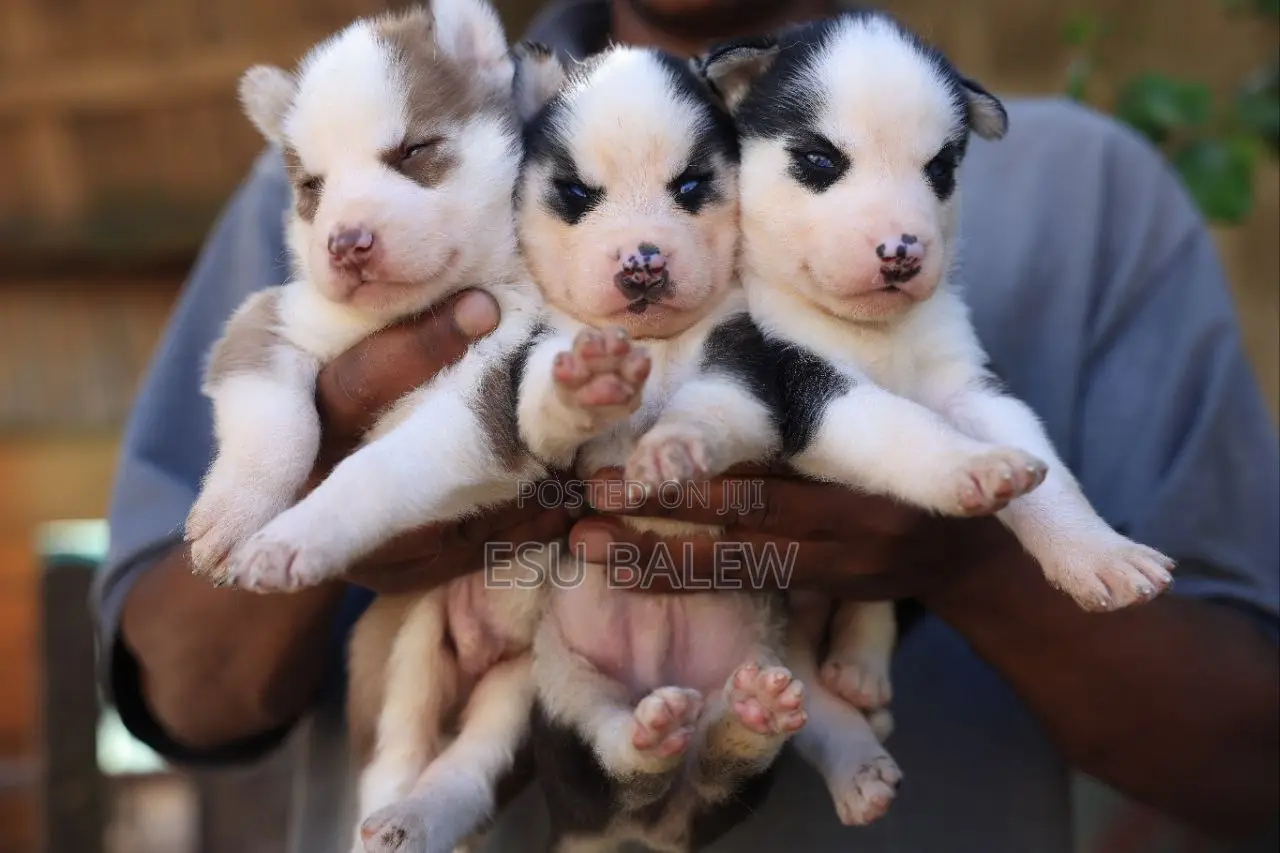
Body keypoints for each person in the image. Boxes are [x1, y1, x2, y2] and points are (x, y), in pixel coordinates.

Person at [94, 1, 1279, 851]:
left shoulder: (1086, 195)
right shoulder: (357, 172)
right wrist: (342, 481)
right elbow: (185, 689)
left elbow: (1245, 761)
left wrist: (962, 548)